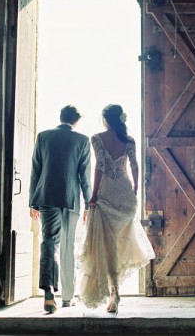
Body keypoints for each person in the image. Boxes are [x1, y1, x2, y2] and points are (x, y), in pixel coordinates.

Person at [79, 104, 155, 313]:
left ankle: (115, 294)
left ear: (105, 119)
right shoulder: (129, 141)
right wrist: (136, 188)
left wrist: (93, 196)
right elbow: (134, 166)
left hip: (105, 193)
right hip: (124, 193)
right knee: (119, 244)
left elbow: (101, 166)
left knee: (106, 246)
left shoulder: (96, 138)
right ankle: (114, 293)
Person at [29, 105, 92, 313]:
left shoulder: (43, 136)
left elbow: (35, 170)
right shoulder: (82, 140)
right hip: (71, 198)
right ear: (76, 121)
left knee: (49, 242)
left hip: (46, 196)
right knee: (67, 245)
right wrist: (88, 203)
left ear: (61, 117)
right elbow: (85, 177)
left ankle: (48, 292)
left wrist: (32, 201)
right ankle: (67, 297)